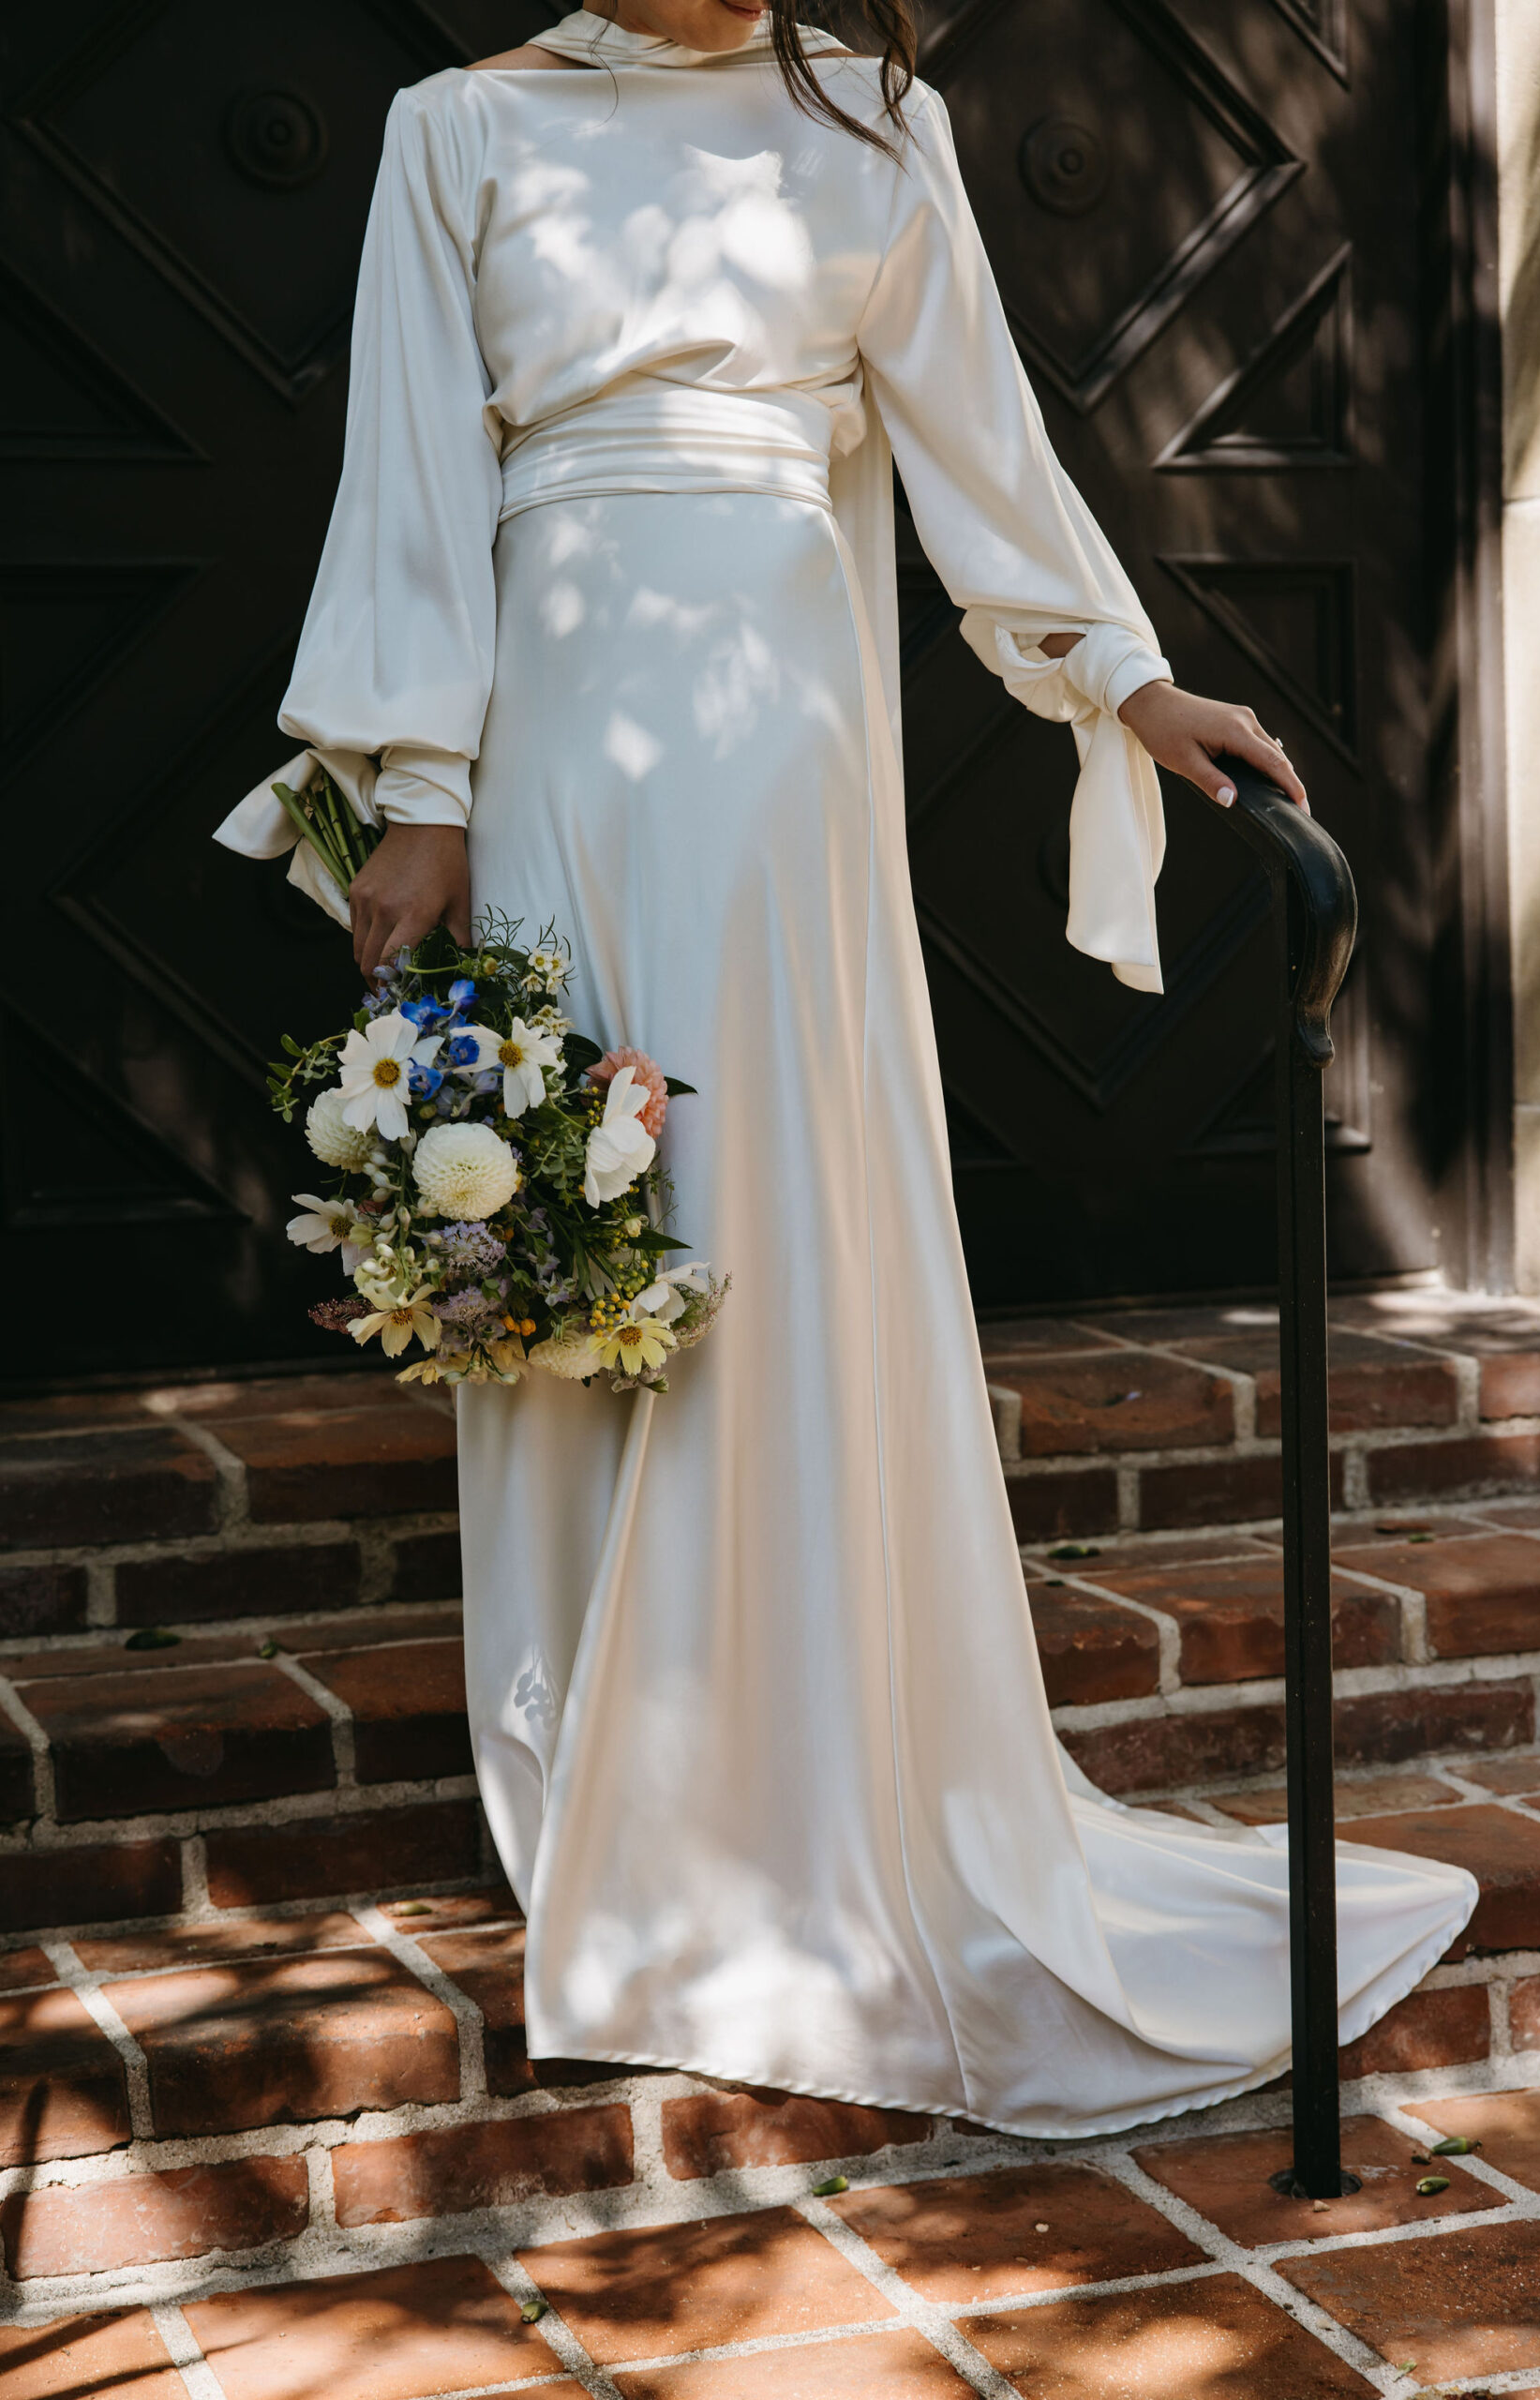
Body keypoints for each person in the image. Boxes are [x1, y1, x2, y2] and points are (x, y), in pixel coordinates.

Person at [237, 0, 1474, 2138]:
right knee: (561, 1216)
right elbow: (420, 465)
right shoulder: (461, 129)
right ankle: (606, 1791)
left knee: (766, 1217)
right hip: (559, 738)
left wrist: (1125, 681)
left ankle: (796, 1773)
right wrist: (419, 784)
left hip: (785, 759)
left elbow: (979, 433)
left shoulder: (872, 127)